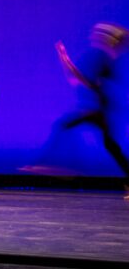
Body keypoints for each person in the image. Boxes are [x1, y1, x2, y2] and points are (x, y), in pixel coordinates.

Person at [23, 22, 129, 197]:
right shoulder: (103, 57)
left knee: (64, 126)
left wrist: (67, 59)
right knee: (111, 146)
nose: (96, 38)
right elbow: (75, 80)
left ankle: (62, 166)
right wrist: (64, 57)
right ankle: (64, 166)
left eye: (101, 36)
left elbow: (86, 81)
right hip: (99, 109)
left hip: (99, 109)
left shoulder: (104, 58)